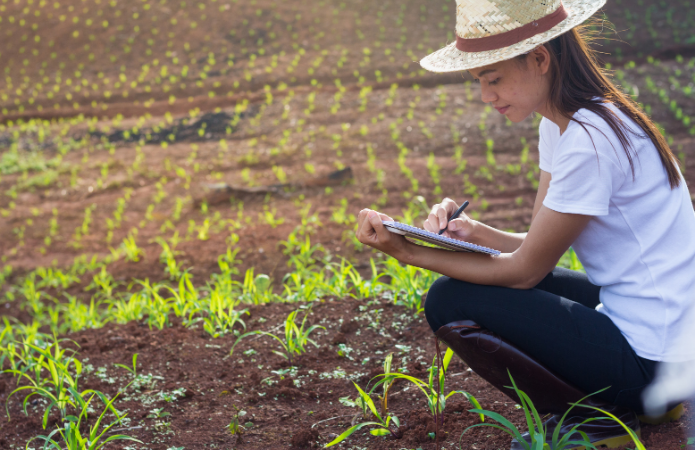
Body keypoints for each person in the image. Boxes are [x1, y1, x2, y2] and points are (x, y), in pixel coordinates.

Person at [355, 0, 695, 448]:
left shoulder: (588, 142)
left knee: (448, 299)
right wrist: (471, 232)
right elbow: (535, 243)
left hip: (659, 356)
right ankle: (648, 402)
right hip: (663, 330)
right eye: (479, 81)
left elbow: (524, 271)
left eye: (493, 79)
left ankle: (600, 421)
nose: (486, 96)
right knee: (508, 288)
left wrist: (411, 253)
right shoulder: (571, 124)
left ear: (539, 59)